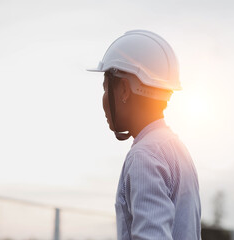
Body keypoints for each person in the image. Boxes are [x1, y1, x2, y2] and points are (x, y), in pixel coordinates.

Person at [87, 30, 201, 240]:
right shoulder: (177, 148)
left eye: (106, 88)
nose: (103, 99)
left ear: (123, 90)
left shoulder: (144, 156)